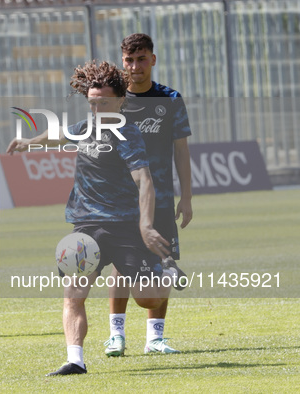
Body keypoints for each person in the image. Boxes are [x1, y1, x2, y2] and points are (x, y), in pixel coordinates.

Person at [7, 60, 173, 376]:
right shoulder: (86, 127)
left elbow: (145, 180)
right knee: (74, 293)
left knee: (148, 300)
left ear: (121, 101)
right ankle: (75, 360)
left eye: (104, 103)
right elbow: (59, 135)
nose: (97, 109)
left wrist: (146, 224)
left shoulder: (127, 134)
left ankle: (166, 273)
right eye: (93, 103)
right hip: (85, 225)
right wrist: (29, 142)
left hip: (125, 227)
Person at [104, 33, 193, 357]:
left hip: (164, 199)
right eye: (129, 60)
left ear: (152, 60)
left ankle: (155, 338)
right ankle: (116, 335)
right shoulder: (115, 100)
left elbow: (181, 152)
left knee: (161, 261)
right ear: (122, 61)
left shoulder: (170, 99)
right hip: (120, 199)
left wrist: (187, 197)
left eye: (141, 59)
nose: (135, 66)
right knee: (119, 263)